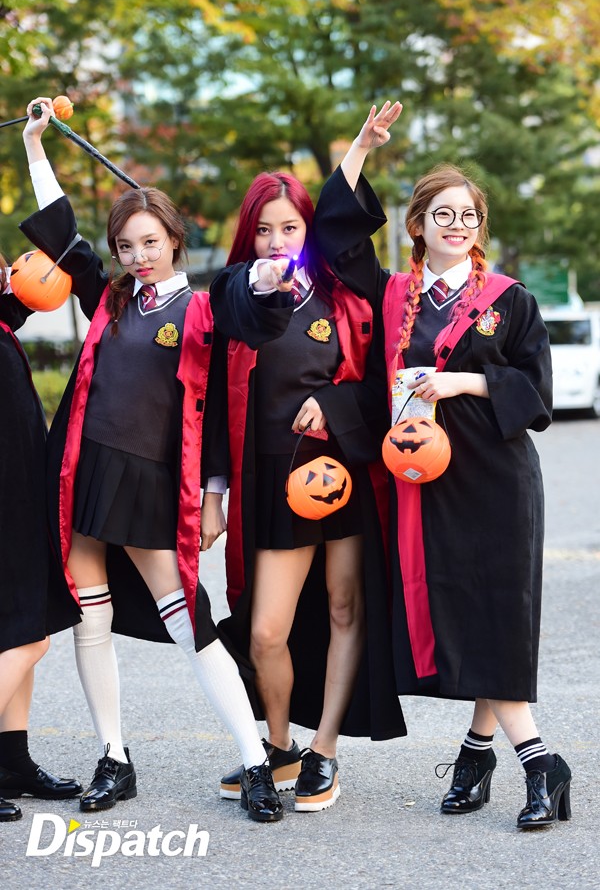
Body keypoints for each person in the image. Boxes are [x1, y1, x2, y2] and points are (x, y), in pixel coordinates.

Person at [19, 97, 282, 823]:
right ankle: (114, 757)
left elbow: (240, 346)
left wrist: (217, 491)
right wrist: (37, 146)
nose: (138, 256)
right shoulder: (111, 300)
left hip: (151, 483)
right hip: (84, 472)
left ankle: (256, 762)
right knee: (91, 620)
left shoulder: (202, 309)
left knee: (190, 621)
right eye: (126, 246)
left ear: (173, 239)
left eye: (150, 242)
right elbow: (61, 231)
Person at [313, 101, 572, 829]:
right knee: (467, 616)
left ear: (479, 229)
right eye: (443, 215)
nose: (457, 225)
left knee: (497, 616)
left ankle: (538, 763)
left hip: (497, 482)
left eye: (469, 217)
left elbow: (538, 394)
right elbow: (336, 236)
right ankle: (478, 756)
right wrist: (361, 149)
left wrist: (462, 381)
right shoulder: (391, 294)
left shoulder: (509, 301)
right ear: (417, 225)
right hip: (424, 485)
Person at [210, 171, 406, 812]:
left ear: (308, 231)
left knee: (346, 608)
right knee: (266, 632)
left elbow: (381, 384)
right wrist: (214, 492)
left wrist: (333, 402)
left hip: (341, 473)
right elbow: (213, 403)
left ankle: (324, 749)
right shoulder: (237, 299)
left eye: (290, 228)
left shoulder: (343, 295)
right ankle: (280, 745)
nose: (277, 241)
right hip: (272, 482)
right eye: (264, 230)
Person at [0, 252, 82, 822]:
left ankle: (12, 762)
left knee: (21, 635)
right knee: (28, 640)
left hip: (22, 504)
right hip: (6, 507)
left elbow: (29, 296)